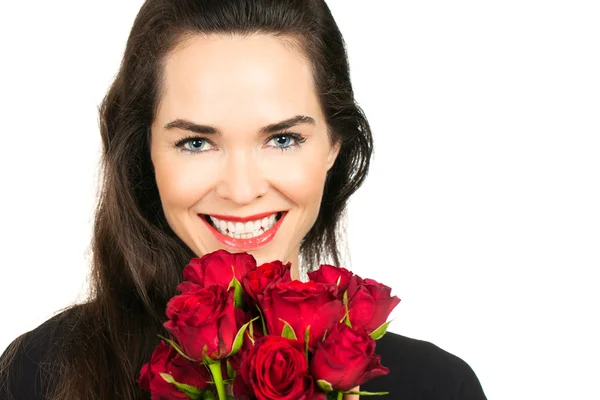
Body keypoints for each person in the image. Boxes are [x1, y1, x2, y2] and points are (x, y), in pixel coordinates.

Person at [0, 0, 486, 399]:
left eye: (283, 139)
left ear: (334, 146)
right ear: (143, 151)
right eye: (196, 142)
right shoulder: (40, 373)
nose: (241, 189)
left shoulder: (439, 387)